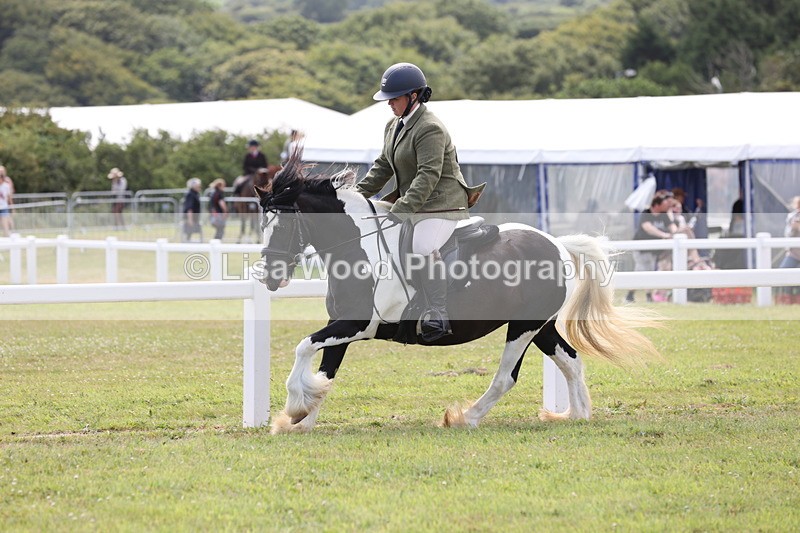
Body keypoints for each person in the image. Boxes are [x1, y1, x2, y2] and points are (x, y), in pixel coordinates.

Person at [354, 62, 485, 342]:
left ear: (414, 96)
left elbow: (428, 175)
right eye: (389, 99)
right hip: (416, 204)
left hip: (442, 204)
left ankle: (437, 312)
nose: (390, 103)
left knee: (423, 246)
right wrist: (355, 197)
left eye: (395, 98)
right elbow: (382, 166)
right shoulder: (393, 125)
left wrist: (400, 210)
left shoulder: (430, 128)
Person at [625, 190, 677, 303]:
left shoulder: (664, 216)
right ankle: (647, 296)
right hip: (641, 248)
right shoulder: (646, 213)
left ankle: (631, 295)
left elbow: (673, 227)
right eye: (665, 203)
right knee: (644, 270)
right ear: (657, 204)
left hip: (653, 250)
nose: (668, 204)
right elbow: (648, 228)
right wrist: (664, 235)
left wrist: (675, 233)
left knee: (641, 271)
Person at [777, 196, 800, 304]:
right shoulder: (792, 217)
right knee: (784, 271)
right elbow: (787, 235)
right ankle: (787, 298)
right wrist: (793, 228)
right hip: (794, 253)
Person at [182, 178, 203, 242]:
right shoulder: (190, 194)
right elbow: (189, 208)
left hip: (194, 217)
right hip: (191, 217)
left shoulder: (195, 194)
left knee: (190, 233)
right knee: (188, 232)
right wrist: (190, 219)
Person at [0, 166, 14, 233]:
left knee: (7, 220)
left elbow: (9, 195)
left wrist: (11, 205)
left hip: (4, 206)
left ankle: (11, 232)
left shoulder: (7, 182)